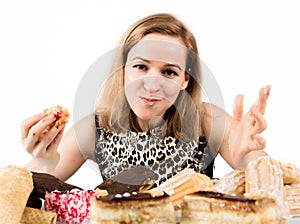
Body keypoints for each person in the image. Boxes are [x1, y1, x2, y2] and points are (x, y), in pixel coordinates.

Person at [21, 13, 270, 185]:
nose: (152, 83)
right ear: (123, 70)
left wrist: (247, 161)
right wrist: (42, 162)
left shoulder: (205, 119)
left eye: (169, 72)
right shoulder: (94, 129)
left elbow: (273, 180)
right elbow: (20, 195)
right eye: (141, 67)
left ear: (185, 80)